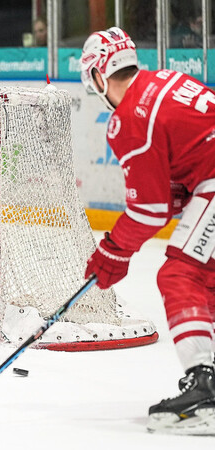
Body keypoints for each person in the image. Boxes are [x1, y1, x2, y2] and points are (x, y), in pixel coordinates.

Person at [81, 27, 215, 435]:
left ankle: (205, 392)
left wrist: (112, 251)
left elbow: (149, 210)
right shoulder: (168, 80)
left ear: (99, 76)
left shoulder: (129, 119)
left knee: (180, 275)